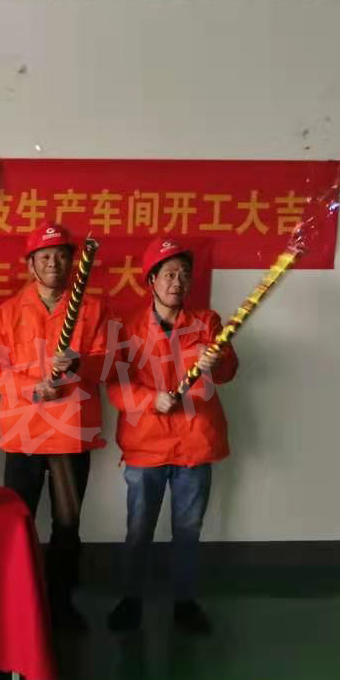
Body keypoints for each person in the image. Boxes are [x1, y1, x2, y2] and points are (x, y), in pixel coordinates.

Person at [0, 223, 111, 632]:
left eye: (61, 255)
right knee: (17, 524)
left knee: (67, 524)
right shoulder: (8, 313)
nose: (54, 262)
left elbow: (107, 364)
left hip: (70, 435)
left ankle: (61, 605)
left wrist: (78, 364)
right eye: (45, 256)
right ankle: (16, 605)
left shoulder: (93, 309)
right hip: (23, 434)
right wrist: (30, 387)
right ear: (31, 265)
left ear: (72, 262)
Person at [106, 238, 238, 635]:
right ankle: (130, 600)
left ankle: (185, 602)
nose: (177, 282)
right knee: (138, 529)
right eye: (168, 274)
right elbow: (115, 386)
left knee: (188, 530)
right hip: (146, 445)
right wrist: (151, 400)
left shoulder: (208, 322)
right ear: (151, 280)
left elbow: (228, 373)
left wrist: (219, 359)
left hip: (195, 443)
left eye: (184, 275)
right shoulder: (127, 329)